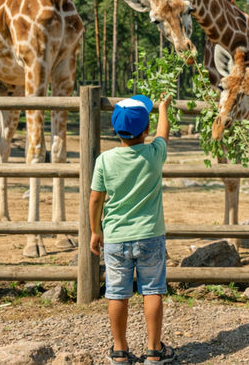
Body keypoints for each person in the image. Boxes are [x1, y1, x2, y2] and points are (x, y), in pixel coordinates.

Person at [89, 94, 176, 364]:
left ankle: (119, 350)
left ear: (115, 129)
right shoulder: (153, 154)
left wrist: (95, 231)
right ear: (146, 130)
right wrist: (163, 108)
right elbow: (164, 133)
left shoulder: (104, 160)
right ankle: (153, 349)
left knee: (117, 294)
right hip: (150, 235)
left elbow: (95, 199)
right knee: (152, 290)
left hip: (115, 238)